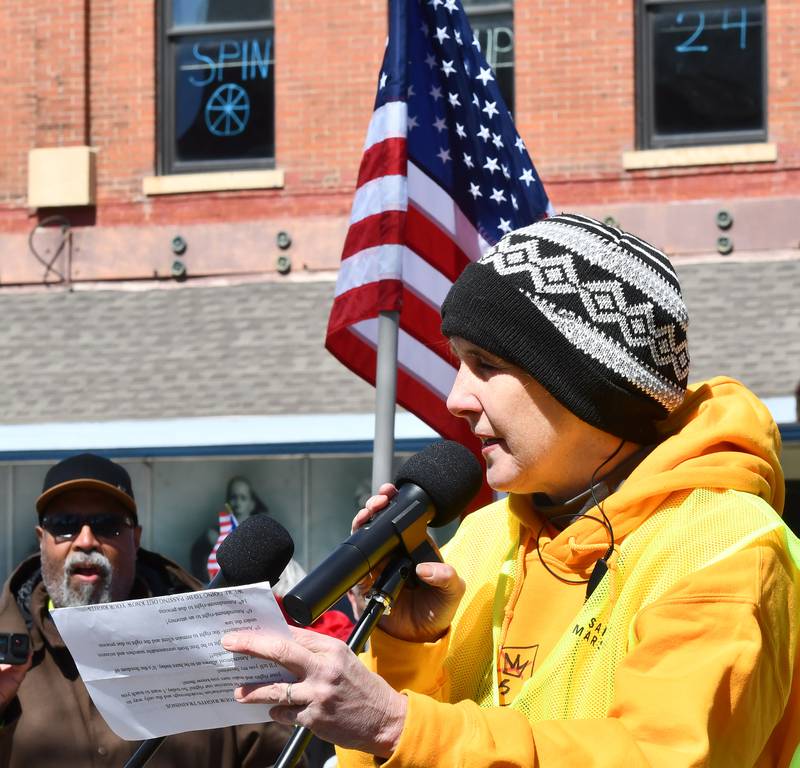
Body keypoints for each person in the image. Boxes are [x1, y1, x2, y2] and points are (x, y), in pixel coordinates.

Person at [220, 214, 800, 767]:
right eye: (459, 362)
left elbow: (663, 755)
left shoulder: (724, 546)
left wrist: (397, 724)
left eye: (487, 364)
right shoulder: (479, 537)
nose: (456, 398)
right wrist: (407, 645)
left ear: (590, 386)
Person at [0, 452, 299, 768]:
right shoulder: (7, 647)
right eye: (64, 525)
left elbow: (278, 755)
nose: (85, 540)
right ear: (41, 539)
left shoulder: (218, 640)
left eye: (108, 525)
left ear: (135, 537)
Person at [192, 475, 307, 597]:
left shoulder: (267, 542)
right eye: (233, 497)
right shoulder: (210, 537)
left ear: (251, 504)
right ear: (227, 502)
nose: (237, 503)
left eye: (243, 498)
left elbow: (293, 587)